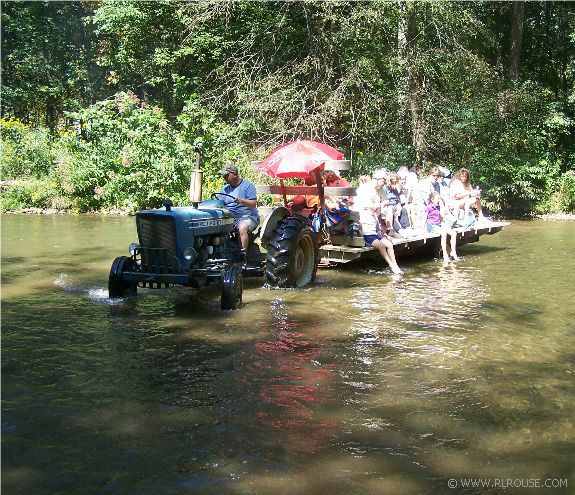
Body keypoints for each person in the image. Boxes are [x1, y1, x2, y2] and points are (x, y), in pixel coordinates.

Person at [218, 163, 260, 253]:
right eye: (223, 176)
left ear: (234, 174)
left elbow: (253, 204)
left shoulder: (248, 186)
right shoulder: (225, 188)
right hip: (229, 217)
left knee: (242, 226)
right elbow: (219, 203)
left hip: (247, 216)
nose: (224, 178)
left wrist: (242, 201)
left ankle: (242, 256)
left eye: (226, 175)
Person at [359, 201, 403, 275]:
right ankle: (391, 265)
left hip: (375, 234)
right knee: (381, 246)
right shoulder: (363, 215)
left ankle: (395, 264)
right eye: (378, 209)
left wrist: (385, 234)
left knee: (389, 244)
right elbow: (359, 225)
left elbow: (377, 228)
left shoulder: (375, 216)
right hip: (368, 235)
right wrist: (360, 234)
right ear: (373, 209)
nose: (379, 211)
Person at [425, 192, 460, 264]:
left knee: (453, 233)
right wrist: (423, 228)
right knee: (444, 233)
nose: (439, 200)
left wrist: (445, 224)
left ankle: (453, 252)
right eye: (437, 199)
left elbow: (441, 217)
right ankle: (445, 255)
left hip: (438, 225)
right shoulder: (428, 207)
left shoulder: (438, 207)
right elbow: (424, 218)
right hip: (431, 225)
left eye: (439, 199)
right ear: (432, 199)